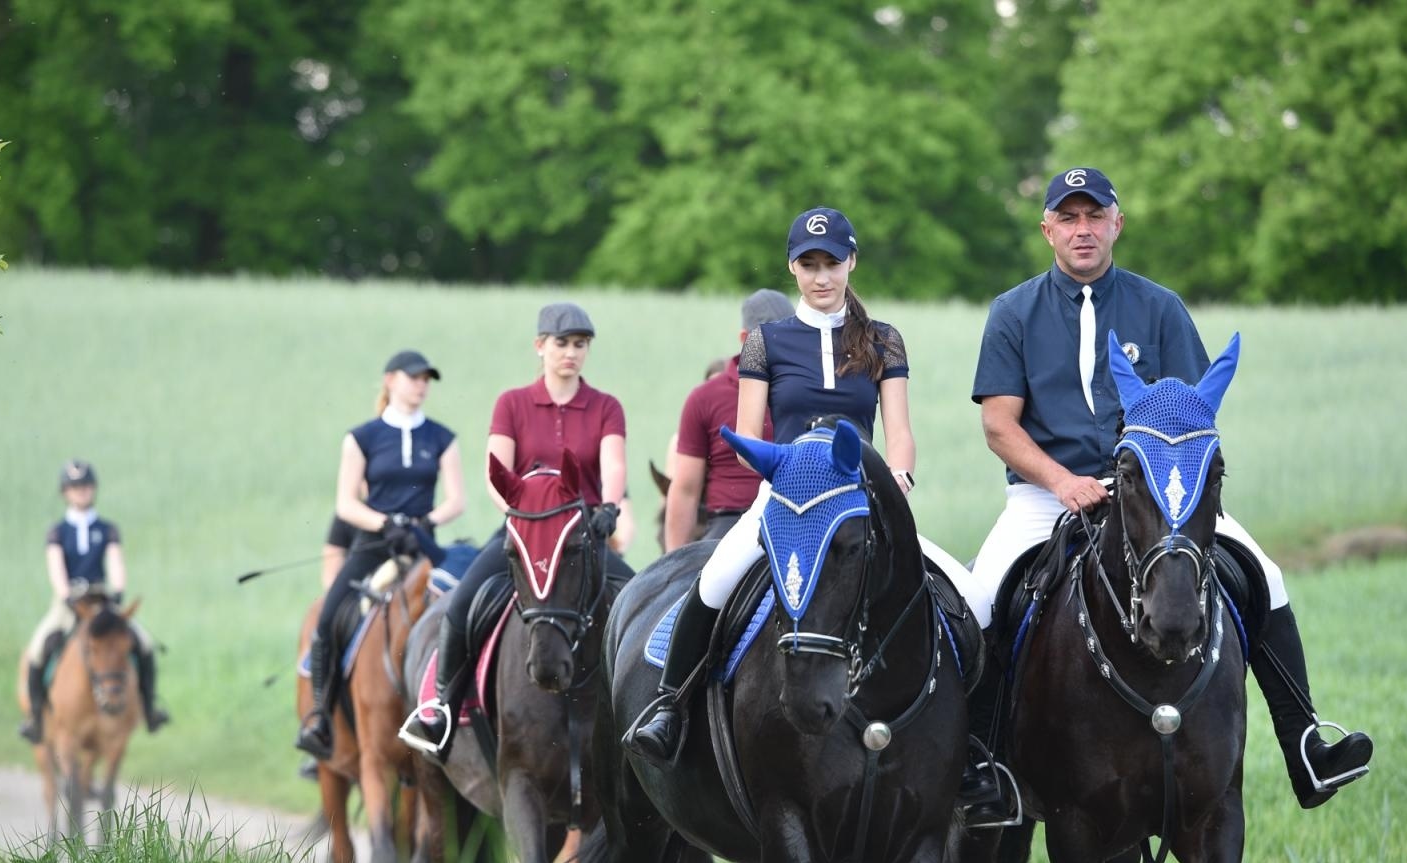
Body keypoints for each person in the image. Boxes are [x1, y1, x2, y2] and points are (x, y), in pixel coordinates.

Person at [963, 166, 1372, 819]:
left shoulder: (1161, 308)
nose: (1083, 230)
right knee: (979, 598)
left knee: (1266, 575)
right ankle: (980, 770)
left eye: (1094, 216)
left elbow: (1193, 414)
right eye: (1068, 218)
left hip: (1159, 494)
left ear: (1116, 223)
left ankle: (1306, 749)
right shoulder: (1013, 313)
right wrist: (1063, 481)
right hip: (1046, 497)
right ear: (1047, 230)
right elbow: (998, 424)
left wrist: (1164, 482)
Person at [626, 207, 980, 766]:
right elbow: (747, 436)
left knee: (968, 600)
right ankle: (671, 708)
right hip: (785, 500)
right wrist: (787, 472)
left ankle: (976, 747)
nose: (821, 276)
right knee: (712, 586)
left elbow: (900, 433)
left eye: (831, 263)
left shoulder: (883, 340)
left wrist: (900, 477)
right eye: (808, 264)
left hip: (860, 504)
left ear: (851, 263)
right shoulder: (765, 342)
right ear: (792, 268)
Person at [398, 302, 632, 754]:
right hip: (522, 535)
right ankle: (441, 708)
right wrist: (519, 511)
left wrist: (608, 506)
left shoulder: (606, 407)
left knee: (638, 599)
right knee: (461, 605)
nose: (571, 352)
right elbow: (495, 472)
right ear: (539, 346)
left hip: (578, 540)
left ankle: (649, 712)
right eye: (561, 343)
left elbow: (614, 465)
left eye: (580, 344)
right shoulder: (513, 404)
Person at [295, 350, 465, 759]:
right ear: (390, 380)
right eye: (413, 378)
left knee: (464, 611)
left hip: (423, 546)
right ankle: (320, 715)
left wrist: (425, 522)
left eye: (427, 379)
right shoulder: (362, 438)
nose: (421, 385)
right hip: (374, 547)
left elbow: (457, 500)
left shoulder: (442, 437)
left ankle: (457, 714)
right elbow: (346, 503)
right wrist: (385, 524)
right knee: (329, 616)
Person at [19, 461, 169, 742]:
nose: (81, 493)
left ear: (93, 490)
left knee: (144, 644)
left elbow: (115, 562)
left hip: (102, 601)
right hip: (68, 603)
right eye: (75, 488)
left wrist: (118, 592)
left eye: (86, 487)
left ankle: (150, 711)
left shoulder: (107, 529)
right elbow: (56, 568)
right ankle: (35, 718)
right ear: (66, 492)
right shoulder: (58, 532)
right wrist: (66, 596)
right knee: (39, 648)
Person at [662, 289, 789, 552]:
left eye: (789, 338)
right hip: (728, 524)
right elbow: (685, 490)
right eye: (771, 340)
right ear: (745, 339)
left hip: (793, 520)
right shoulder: (705, 398)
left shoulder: (808, 392)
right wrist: (673, 561)